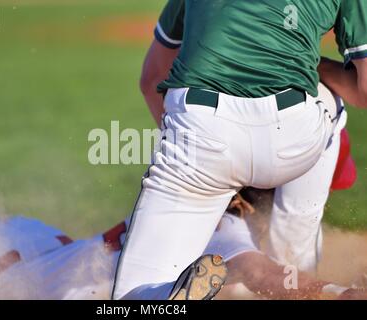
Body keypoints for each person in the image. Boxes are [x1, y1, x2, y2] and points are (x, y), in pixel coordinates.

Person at [112, 0, 367, 300]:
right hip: (293, 135)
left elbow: (152, 77)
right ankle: (300, 266)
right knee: (327, 98)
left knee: (133, 294)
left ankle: (164, 295)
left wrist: (187, 151)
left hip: (201, 131)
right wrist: (312, 65)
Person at [0, 174, 365, 300]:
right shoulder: (229, 224)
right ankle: (167, 294)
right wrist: (336, 292)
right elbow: (253, 269)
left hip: (40, 251)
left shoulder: (200, 189)